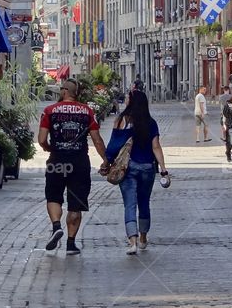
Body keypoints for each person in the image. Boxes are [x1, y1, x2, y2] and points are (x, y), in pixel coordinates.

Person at [38, 78, 107, 256]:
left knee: (53, 196)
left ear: (64, 91)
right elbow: (97, 140)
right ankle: (70, 244)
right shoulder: (87, 111)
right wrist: (106, 160)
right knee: (75, 205)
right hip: (79, 163)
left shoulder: (49, 111)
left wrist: (49, 148)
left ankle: (56, 226)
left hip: (57, 161)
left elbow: (41, 139)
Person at [108, 91, 169, 255]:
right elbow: (156, 146)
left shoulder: (122, 120)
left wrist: (107, 161)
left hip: (128, 167)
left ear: (132, 102)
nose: (126, 100)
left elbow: (114, 144)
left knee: (129, 204)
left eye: (128, 98)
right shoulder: (151, 123)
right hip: (148, 167)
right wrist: (163, 169)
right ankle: (143, 237)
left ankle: (132, 242)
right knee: (144, 202)